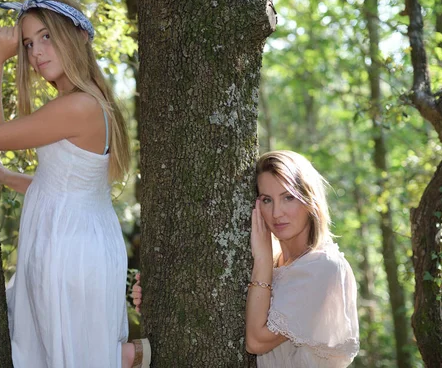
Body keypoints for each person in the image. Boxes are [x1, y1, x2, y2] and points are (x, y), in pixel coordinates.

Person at [0, 0, 150, 368]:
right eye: (27, 44)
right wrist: (10, 178)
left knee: (61, 354)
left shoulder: (77, 107)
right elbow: (69, 186)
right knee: (62, 351)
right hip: (81, 241)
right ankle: (121, 356)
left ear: (79, 36)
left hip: (69, 250)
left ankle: (128, 356)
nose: (35, 53)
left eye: (46, 37)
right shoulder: (92, 101)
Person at [132, 150, 358, 367]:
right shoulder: (279, 264)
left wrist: (262, 260)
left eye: (288, 197)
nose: (277, 213)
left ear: (309, 200)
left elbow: (256, 342)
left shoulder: (322, 267)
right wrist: (159, 300)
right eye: (267, 200)